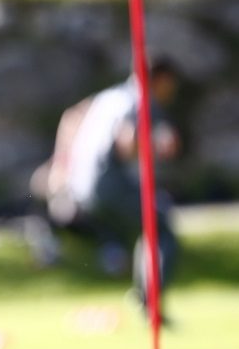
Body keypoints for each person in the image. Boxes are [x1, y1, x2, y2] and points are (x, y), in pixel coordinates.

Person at [29, 57, 182, 317]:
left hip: (81, 185)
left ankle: (142, 293)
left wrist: (62, 162)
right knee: (161, 227)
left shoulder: (109, 96)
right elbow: (126, 143)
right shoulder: (140, 100)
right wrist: (157, 145)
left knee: (149, 227)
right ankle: (147, 300)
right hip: (107, 183)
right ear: (161, 79)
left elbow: (72, 116)